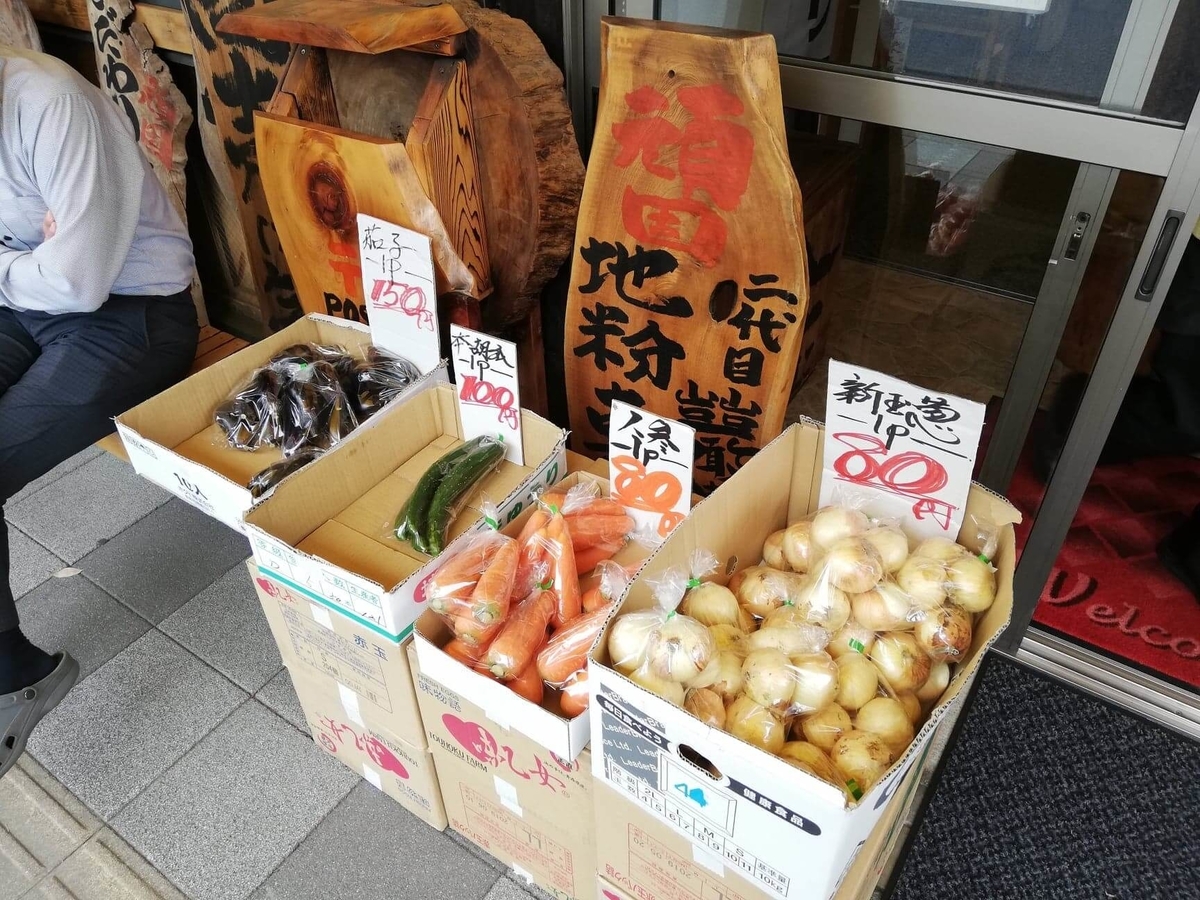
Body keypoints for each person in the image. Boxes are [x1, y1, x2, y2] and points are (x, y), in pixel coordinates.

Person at [0, 47, 198, 778]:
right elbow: (52, 275)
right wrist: (30, 268)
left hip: (134, 314)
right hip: (25, 301)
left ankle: (14, 673)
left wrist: (20, 268)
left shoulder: (48, 104)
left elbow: (81, 283)